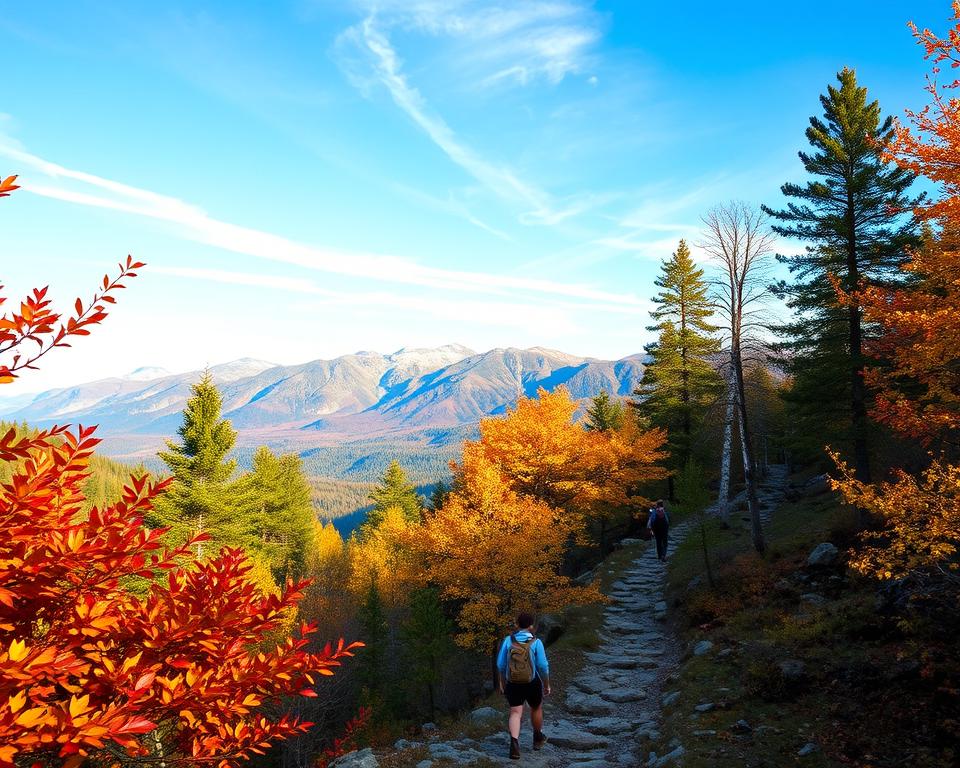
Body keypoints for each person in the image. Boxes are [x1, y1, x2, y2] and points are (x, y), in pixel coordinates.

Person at [496, 612, 551, 760]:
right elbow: (543, 666)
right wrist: (546, 684)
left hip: (513, 683)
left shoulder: (508, 641)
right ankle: (537, 737)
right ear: (531, 626)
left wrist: (502, 683)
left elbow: (500, 665)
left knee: (515, 712)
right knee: (536, 707)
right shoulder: (536, 642)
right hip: (532, 682)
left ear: (517, 624)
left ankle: (514, 745)